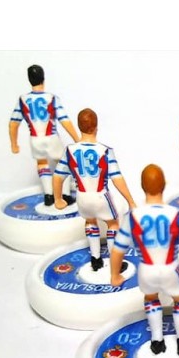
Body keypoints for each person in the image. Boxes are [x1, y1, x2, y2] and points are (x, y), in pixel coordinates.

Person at [111, 165, 179, 356]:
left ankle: (157, 342)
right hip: (170, 268)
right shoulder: (174, 214)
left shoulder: (132, 217)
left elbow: (117, 250)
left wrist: (114, 275)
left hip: (146, 270)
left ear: (142, 186)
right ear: (164, 185)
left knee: (151, 299)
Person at [52, 108, 137, 271]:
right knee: (113, 223)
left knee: (90, 222)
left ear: (78, 127)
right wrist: (131, 201)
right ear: (96, 127)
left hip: (82, 197)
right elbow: (117, 178)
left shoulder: (69, 150)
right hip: (101, 196)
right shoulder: (105, 151)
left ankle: (95, 259)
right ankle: (115, 262)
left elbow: (57, 177)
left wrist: (58, 199)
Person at [8, 64, 80, 205]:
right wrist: (76, 138)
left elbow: (13, 123)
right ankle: (65, 194)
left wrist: (14, 144)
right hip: (51, 136)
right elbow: (64, 120)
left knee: (42, 164)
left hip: (35, 138)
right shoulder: (51, 98)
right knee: (63, 163)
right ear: (43, 79)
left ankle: (48, 195)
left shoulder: (22, 100)